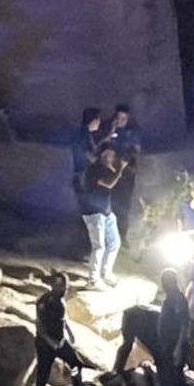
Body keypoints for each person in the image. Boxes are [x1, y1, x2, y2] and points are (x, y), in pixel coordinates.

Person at [34, 272, 84, 386]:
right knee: (41, 381)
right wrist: (50, 342)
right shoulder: (43, 303)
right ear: (52, 286)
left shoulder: (60, 300)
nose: (62, 289)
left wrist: (69, 333)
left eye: (64, 286)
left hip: (60, 341)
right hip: (45, 345)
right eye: (59, 286)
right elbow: (40, 326)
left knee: (77, 364)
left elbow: (63, 320)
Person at [80, 147, 128, 287]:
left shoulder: (108, 169)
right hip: (94, 212)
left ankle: (106, 273)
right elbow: (108, 183)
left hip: (106, 212)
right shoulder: (94, 169)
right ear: (102, 155)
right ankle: (93, 280)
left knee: (115, 243)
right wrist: (120, 169)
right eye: (109, 154)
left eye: (113, 155)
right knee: (99, 246)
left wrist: (117, 170)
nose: (112, 157)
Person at [106, 104, 141, 240]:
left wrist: (126, 163)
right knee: (110, 204)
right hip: (109, 172)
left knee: (124, 204)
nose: (121, 121)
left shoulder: (132, 133)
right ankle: (110, 235)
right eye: (119, 118)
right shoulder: (109, 130)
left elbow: (136, 151)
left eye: (124, 118)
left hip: (126, 175)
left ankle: (122, 235)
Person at [72, 107, 103, 194]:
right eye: (98, 119)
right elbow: (83, 150)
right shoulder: (83, 134)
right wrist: (95, 159)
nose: (99, 122)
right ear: (93, 121)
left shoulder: (84, 133)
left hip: (79, 172)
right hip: (79, 173)